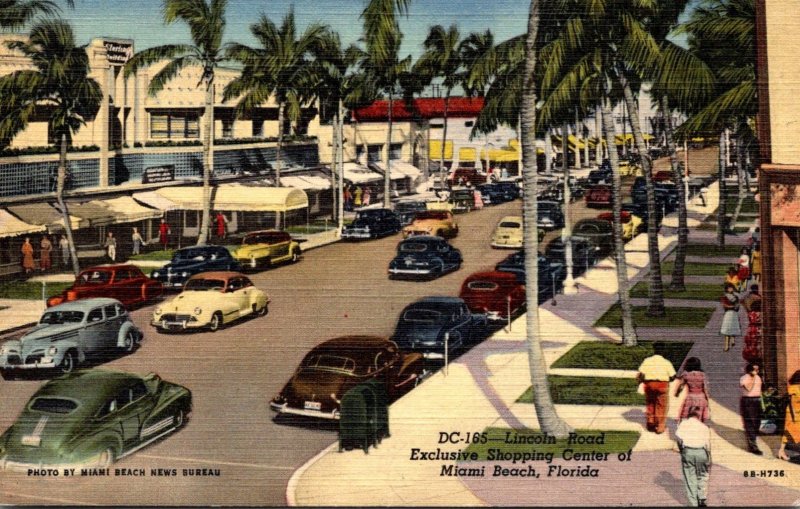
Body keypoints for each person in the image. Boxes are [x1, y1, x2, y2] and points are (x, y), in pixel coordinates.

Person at [675, 406, 712, 507]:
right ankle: (702, 498)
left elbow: (678, 439)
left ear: (688, 415)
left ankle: (693, 503)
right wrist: (709, 459)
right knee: (703, 475)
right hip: (702, 452)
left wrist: (681, 451)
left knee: (690, 477)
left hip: (688, 452)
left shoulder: (683, 424)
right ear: (698, 416)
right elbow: (707, 445)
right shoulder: (704, 427)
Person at [636, 342, 676, 434]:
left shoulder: (647, 360)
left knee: (650, 403)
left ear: (654, 349)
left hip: (649, 384)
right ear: (663, 350)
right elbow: (673, 376)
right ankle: (660, 426)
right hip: (662, 385)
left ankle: (651, 423)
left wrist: (640, 382)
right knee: (662, 406)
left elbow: (641, 374)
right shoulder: (666, 362)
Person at [675, 357, 710, 423]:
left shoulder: (685, 374)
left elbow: (681, 386)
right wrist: (707, 398)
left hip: (690, 397)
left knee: (686, 416)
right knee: (699, 417)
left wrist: (677, 393)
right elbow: (705, 388)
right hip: (701, 398)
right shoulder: (702, 375)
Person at [740, 360, 764, 455]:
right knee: (749, 423)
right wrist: (752, 377)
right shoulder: (744, 378)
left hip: (757, 400)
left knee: (757, 423)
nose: (756, 371)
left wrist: (762, 403)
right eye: (754, 369)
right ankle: (753, 447)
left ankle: (752, 441)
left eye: (757, 369)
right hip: (748, 401)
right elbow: (748, 388)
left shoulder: (758, 378)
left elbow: (759, 390)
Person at [777, 370, 800, 461]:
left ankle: (781, 452)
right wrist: (793, 415)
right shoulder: (793, 388)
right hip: (792, 414)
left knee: (787, 434)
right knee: (792, 432)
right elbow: (790, 403)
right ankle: (781, 451)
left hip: (798, 413)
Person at [720, 282, 742, 352]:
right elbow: (724, 305)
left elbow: (738, 305)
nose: (731, 289)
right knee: (727, 329)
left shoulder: (736, 297)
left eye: (731, 288)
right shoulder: (725, 297)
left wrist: (737, 306)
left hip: (734, 313)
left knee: (733, 326)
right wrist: (732, 306)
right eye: (729, 288)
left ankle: (732, 340)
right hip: (728, 313)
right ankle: (726, 345)